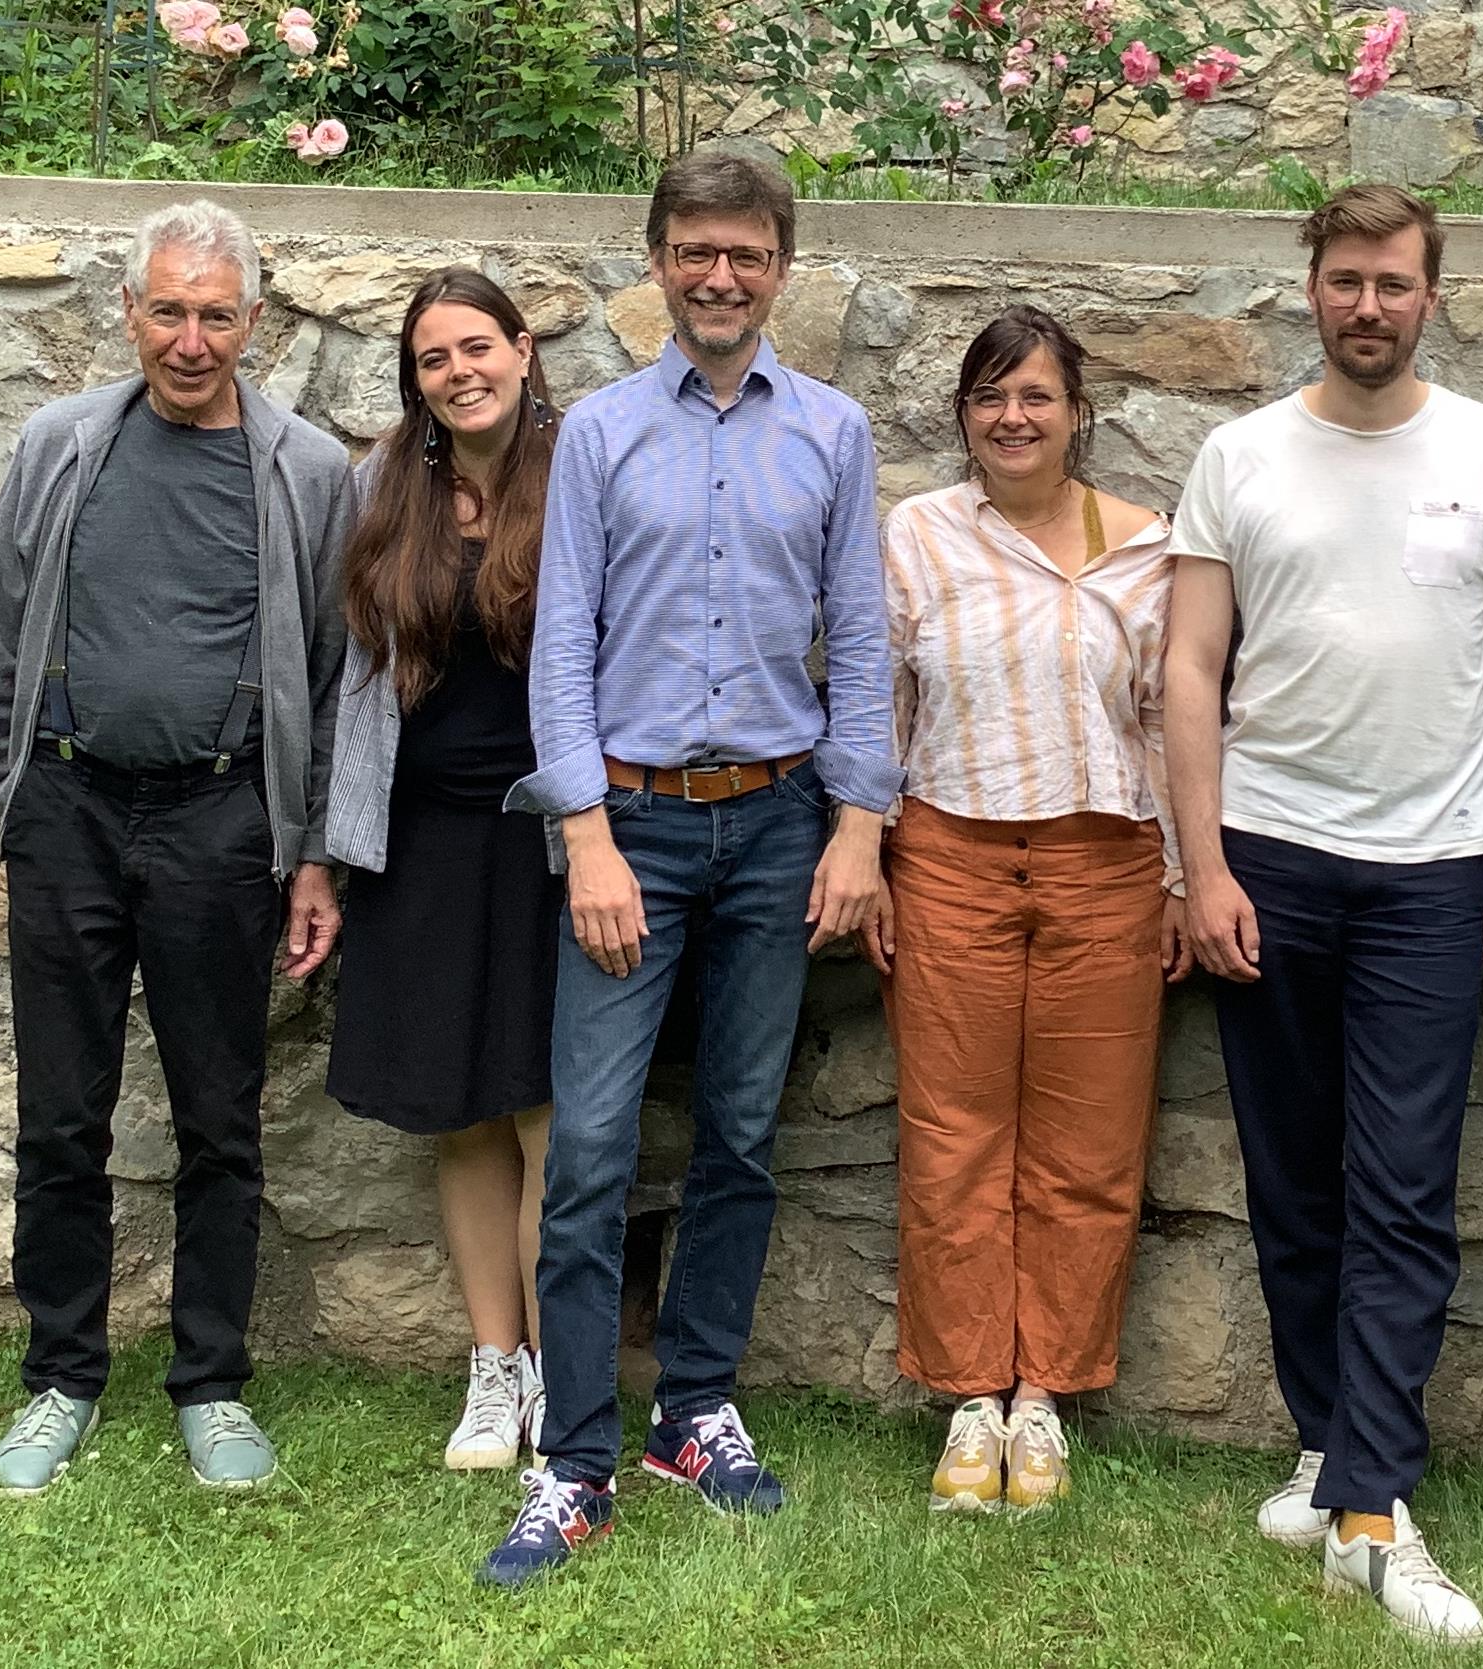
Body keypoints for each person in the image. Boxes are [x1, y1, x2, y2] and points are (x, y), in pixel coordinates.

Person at [476, 153, 898, 1589]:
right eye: (697, 251)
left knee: (740, 1131)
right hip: (633, 829)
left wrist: (861, 823)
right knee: (592, 1145)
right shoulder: (599, 434)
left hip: (779, 824)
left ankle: (694, 1409)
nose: (722, 277)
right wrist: (584, 833)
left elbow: (859, 639)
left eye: (748, 254)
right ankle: (575, 1461)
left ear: (782, 267)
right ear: (657, 260)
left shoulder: (835, 432)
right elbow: (563, 646)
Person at [0, 200, 354, 1496]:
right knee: (62, 1118)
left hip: (223, 821)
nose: (190, 340)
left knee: (220, 1118)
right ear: (130, 313)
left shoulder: (307, 471)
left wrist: (314, 854)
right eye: (169, 311)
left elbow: (334, 680)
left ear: (254, 321)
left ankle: (211, 1384)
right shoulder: (61, 445)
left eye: (216, 315)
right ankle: (61, 1377)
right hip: (66, 809)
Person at [1162, 183, 1483, 1646]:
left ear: (1430, 295)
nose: (1367, 305)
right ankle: (1328, 1445)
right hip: (1269, 856)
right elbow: (1191, 669)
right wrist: (1203, 866)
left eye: (1393, 282)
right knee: (1292, 1180)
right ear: (1309, 287)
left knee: (1403, 1188)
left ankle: (1374, 1514)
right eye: (1344, 280)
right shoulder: (1241, 455)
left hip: (1433, 869)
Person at [881, 306, 1186, 1515]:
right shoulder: (918, 534)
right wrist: (870, 852)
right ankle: (970, 1395)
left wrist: (1178, 877)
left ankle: (1044, 1395)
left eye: (1037, 396)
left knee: (1090, 1148)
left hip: (1105, 864)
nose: (1013, 417)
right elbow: (880, 702)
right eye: (990, 397)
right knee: (952, 1137)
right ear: (963, 415)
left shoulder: (1144, 547)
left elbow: (1161, 719)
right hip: (947, 854)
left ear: (1077, 414)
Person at [324, 268, 562, 1471]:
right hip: (417, 839)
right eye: (433, 358)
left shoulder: (579, 469)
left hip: (551, 836)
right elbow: (345, 666)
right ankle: (492, 1366)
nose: (460, 372)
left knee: (550, 1108)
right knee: (460, 1111)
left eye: (477, 346)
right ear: (415, 381)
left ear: (522, 349)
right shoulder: (381, 484)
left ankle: (559, 1371)